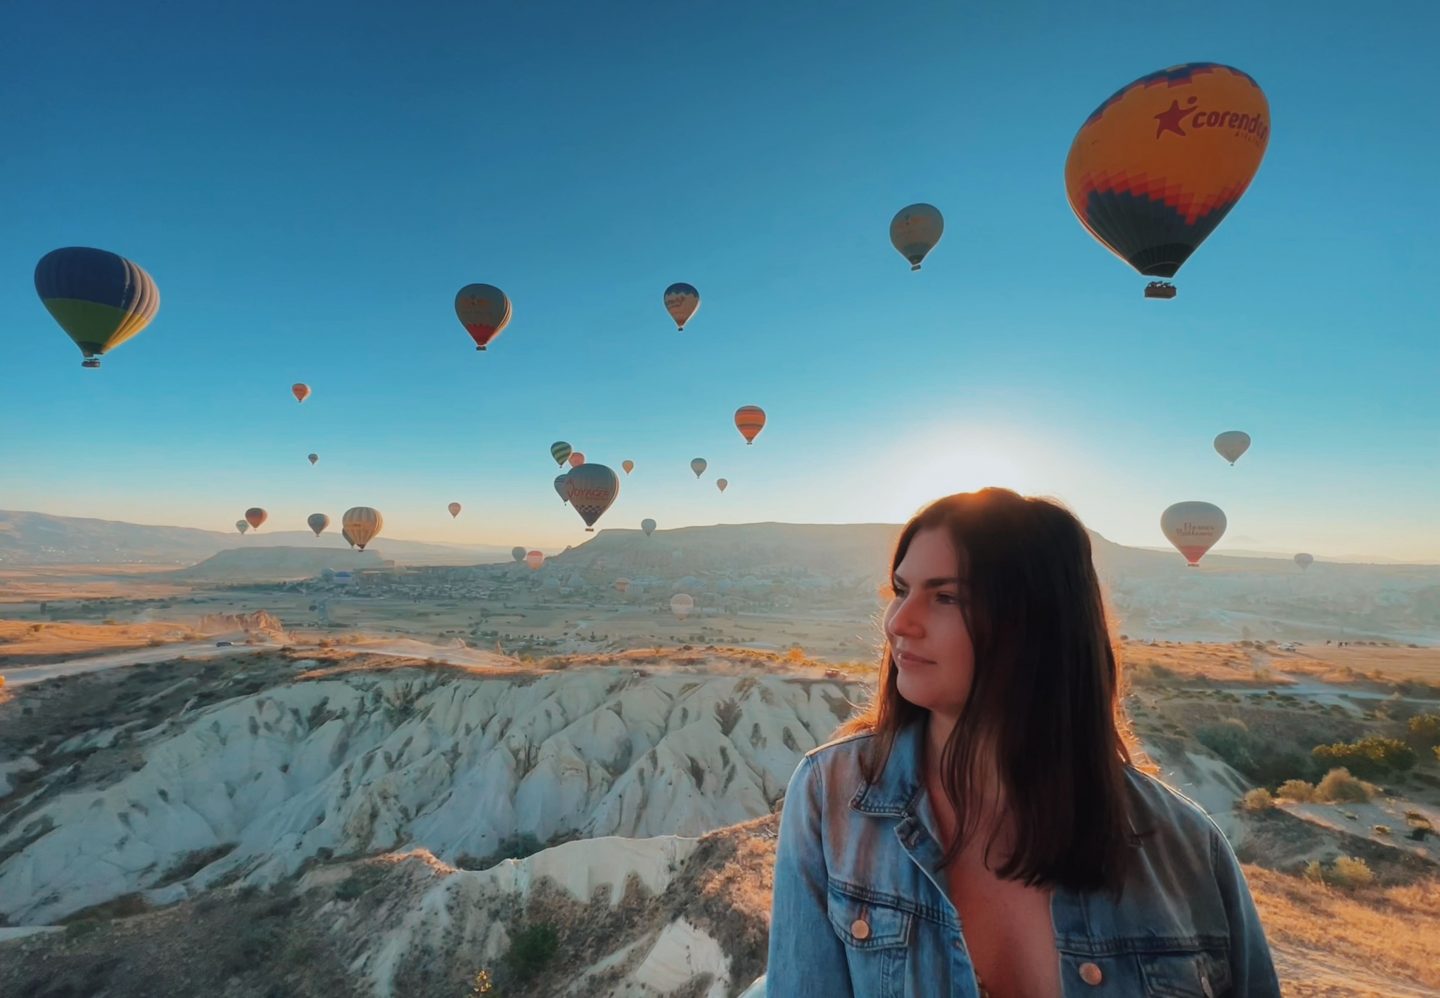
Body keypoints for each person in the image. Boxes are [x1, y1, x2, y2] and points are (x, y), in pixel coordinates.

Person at [765, 489, 1281, 997]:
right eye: (901, 590)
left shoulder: (1185, 846)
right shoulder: (832, 801)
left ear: (1037, 623)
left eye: (946, 597)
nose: (899, 623)